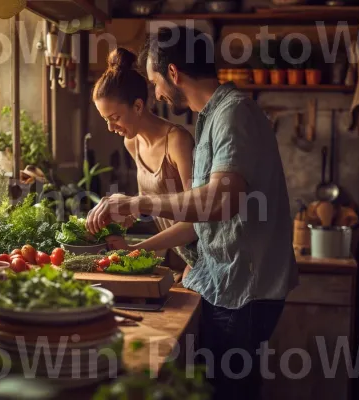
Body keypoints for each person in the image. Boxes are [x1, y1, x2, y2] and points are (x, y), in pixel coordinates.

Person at [86, 26, 298, 400]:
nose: (155, 93)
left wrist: (138, 203)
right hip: (226, 284)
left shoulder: (234, 113)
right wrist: (142, 251)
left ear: (173, 73)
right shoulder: (210, 117)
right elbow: (201, 218)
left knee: (232, 393)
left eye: (154, 82)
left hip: (245, 289)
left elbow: (220, 201)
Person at [92, 47, 198, 275]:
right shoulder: (132, 143)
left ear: (138, 106)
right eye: (105, 120)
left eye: (115, 118)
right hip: (181, 255)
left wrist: (134, 249)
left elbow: (196, 217)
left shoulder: (177, 141)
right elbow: (150, 204)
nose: (110, 128)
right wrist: (125, 214)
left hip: (204, 256)